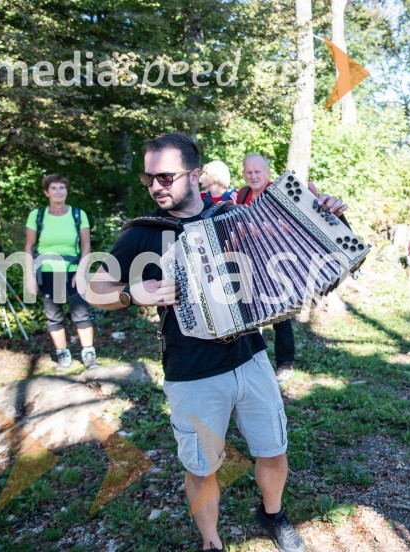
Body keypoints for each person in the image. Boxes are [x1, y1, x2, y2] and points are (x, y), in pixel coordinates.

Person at [88, 133, 346, 552]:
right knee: (203, 468)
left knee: (273, 450)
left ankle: (273, 514)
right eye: (149, 178)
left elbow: (303, 243)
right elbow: (94, 287)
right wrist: (132, 294)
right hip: (191, 372)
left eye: (166, 177)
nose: (156, 186)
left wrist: (326, 214)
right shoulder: (143, 234)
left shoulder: (234, 214)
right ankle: (212, 542)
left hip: (250, 357)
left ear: (193, 174)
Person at [24, 174, 98, 371]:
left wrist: (81, 272)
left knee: (82, 313)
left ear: (67, 191)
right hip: (47, 272)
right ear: (47, 192)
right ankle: (63, 354)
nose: (58, 192)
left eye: (62, 188)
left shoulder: (77, 214)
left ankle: (88, 353)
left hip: (73, 271)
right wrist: (29, 276)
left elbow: (86, 245)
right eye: (54, 188)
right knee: (54, 316)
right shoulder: (37, 216)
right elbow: (29, 247)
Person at [236, 153, 296, 383]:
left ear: (268, 172)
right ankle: (253, 360)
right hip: (250, 263)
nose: (253, 176)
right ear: (244, 174)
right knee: (251, 315)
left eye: (257, 171)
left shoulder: (279, 194)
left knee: (281, 315)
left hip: (278, 261)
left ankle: (285, 364)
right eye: (249, 172)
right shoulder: (242, 194)